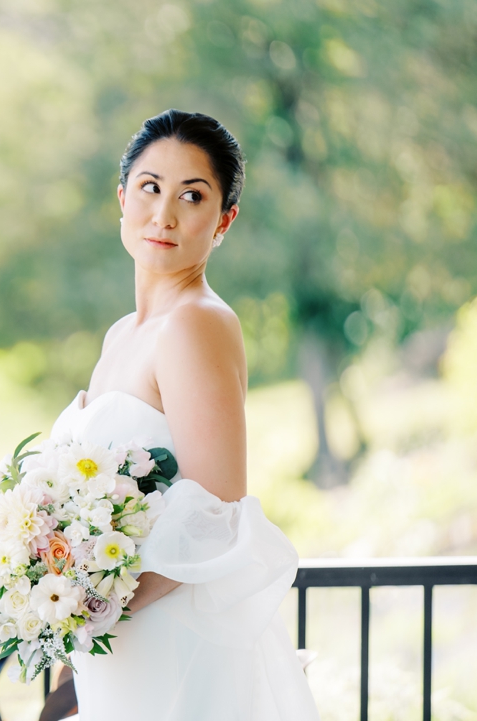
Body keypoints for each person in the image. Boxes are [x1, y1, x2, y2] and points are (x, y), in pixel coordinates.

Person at [50, 109, 320, 720]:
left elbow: (217, 508)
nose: (164, 215)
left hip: (167, 635)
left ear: (224, 220)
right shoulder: (122, 335)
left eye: (192, 196)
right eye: (150, 188)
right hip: (116, 641)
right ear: (122, 197)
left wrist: (90, 606)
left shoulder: (197, 323)